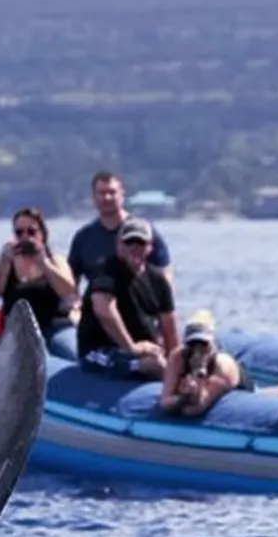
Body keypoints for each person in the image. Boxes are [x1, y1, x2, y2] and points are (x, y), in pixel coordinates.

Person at [77, 216, 177, 379]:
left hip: (145, 349)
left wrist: (175, 362)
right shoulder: (107, 271)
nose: (134, 248)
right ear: (119, 245)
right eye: (129, 243)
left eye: (140, 243)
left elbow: (169, 325)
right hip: (100, 351)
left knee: (171, 365)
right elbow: (104, 309)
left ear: (150, 247)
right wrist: (131, 348)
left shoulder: (158, 280)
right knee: (154, 366)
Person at [67, 172, 172, 298]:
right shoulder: (83, 238)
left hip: (138, 309)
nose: (107, 197)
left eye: (112, 192)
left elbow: (164, 273)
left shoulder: (144, 232)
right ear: (94, 197)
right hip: (98, 309)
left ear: (122, 195)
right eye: (102, 193)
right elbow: (71, 282)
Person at [0, 207, 76, 342]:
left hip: (54, 327)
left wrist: (44, 264)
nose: (26, 237)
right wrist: (3, 262)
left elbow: (68, 291)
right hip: (18, 331)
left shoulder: (54, 261)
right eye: (19, 233)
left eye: (31, 232)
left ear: (42, 234)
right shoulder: (8, 263)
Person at [159, 310, 247, 417]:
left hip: (241, 385)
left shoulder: (223, 367)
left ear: (212, 346)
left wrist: (199, 377)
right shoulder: (177, 357)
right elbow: (165, 402)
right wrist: (184, 397)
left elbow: (195, 409)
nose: (197, 352)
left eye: (203, 345)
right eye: (193, 344)